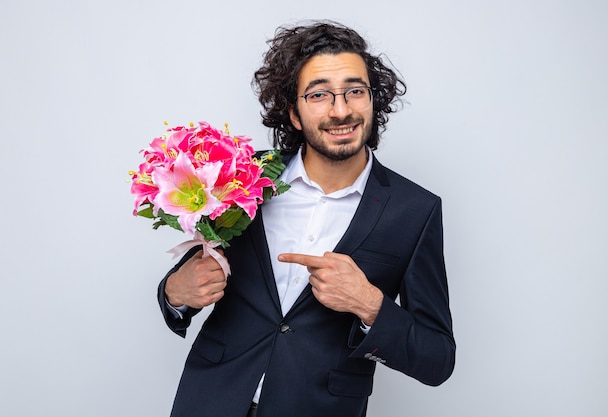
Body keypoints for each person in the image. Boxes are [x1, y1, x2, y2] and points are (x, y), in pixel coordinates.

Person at [157, 20, 455, 417]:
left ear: (372, 100)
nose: (341, 110)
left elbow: (437, 360)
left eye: (355, 91)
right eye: (319, 95)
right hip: (210, 399)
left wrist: (369, 304)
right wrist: (176, 292)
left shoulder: (415, 210)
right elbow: (185, 286)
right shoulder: (243, 177)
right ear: (293, 113)